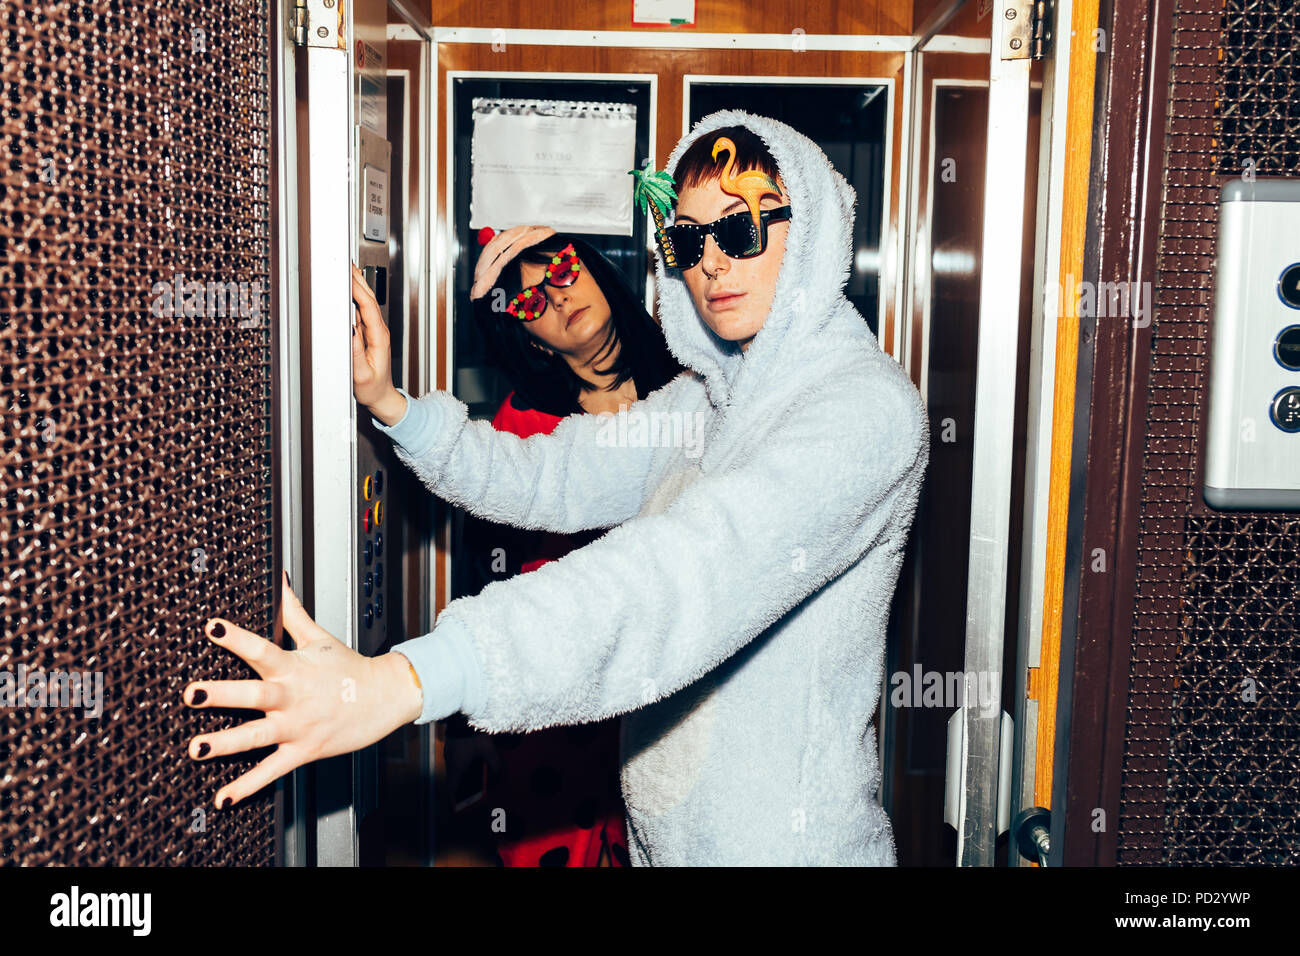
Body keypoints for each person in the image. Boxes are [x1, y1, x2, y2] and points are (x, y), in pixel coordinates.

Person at [184, 111, 930, 866]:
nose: (711, 264)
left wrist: (407, 681)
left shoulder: (862, 411)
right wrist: (392, 406)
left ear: (811, 231)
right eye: (690, 239)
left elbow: (682, 573)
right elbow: (552, 473)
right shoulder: (709, 399)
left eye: (739, 230)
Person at [437, 226, 683, 866]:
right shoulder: (524, 425)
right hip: (557, 685)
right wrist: (465, 718)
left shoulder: (694, 378)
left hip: (677, 672)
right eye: (528, 302)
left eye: (563, 268)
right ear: (528, 338)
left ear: (598, 267)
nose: (554, 295)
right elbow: (482, 571)